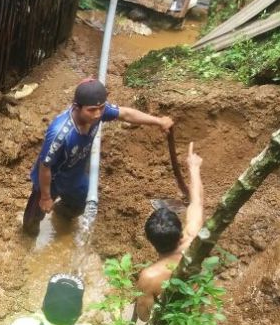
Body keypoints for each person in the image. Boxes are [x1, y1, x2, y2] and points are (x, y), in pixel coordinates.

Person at [23, 79, 174, 236]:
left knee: (80, 203)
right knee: (33, 218)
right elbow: (45, 166)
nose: (97, 114)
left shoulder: (100, 112)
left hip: (75, 174)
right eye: (92, 110)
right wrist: (46, 197)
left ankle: (60, 216)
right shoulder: (60, 133)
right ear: (76, 107)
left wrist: (158, 121)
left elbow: (127, 114)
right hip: (50, 181)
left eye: (101, 108)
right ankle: (28, 238)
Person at [135, 144, 204, 321]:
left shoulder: (149, 277)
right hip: (196, 305)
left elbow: (144, 317)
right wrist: (193, 167)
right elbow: (197, 202)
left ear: (151, 241)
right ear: (181, 234)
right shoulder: (194, 239)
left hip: (170, 321)